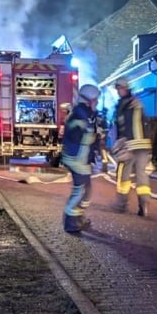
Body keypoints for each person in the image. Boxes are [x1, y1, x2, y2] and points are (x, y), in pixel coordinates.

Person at [60, 84, 100, 233]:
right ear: (88, 100)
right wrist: (93, 134)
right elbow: (80, 137)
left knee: (86, 191)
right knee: (80, 191)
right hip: (78, 160)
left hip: (79, 159)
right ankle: (71, 223)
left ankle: (77, 217)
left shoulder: (84, 113)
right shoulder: (81, 115)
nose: (96, 103)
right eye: (95, 100)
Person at [112, 77, 153, 217]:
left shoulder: (125, 106)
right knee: (142, 176)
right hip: (143, 146)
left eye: (120, 89)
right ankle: (144, 206)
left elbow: (127, 127)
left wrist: (122, 143)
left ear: (126, 88)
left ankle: (122, 204)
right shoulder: (137, 103)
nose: (119, 92)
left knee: (123, 175)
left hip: (130, 145)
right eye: (118, 89)